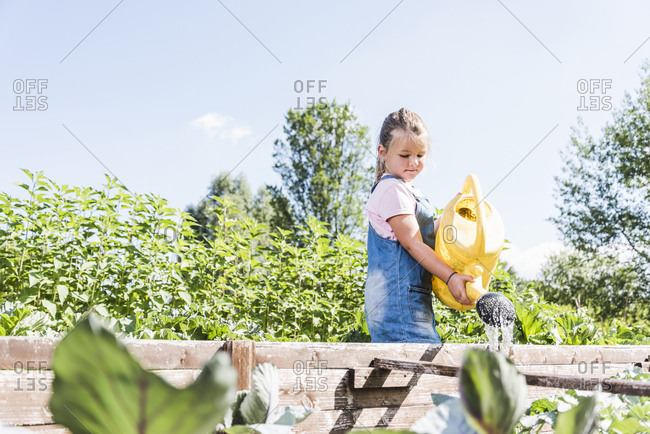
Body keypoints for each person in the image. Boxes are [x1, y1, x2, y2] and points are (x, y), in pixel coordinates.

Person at [364, 108, 475, 343]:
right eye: (405, 155)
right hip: (397, 309)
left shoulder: (406, 190)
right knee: (426, 370)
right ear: (382, 152)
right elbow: (414, 245)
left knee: (418, 375)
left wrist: (451, 215)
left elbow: (422, 234)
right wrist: (451, 276)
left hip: (409, 304)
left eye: (420, 155)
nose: (414, 162)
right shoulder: (391, 190)